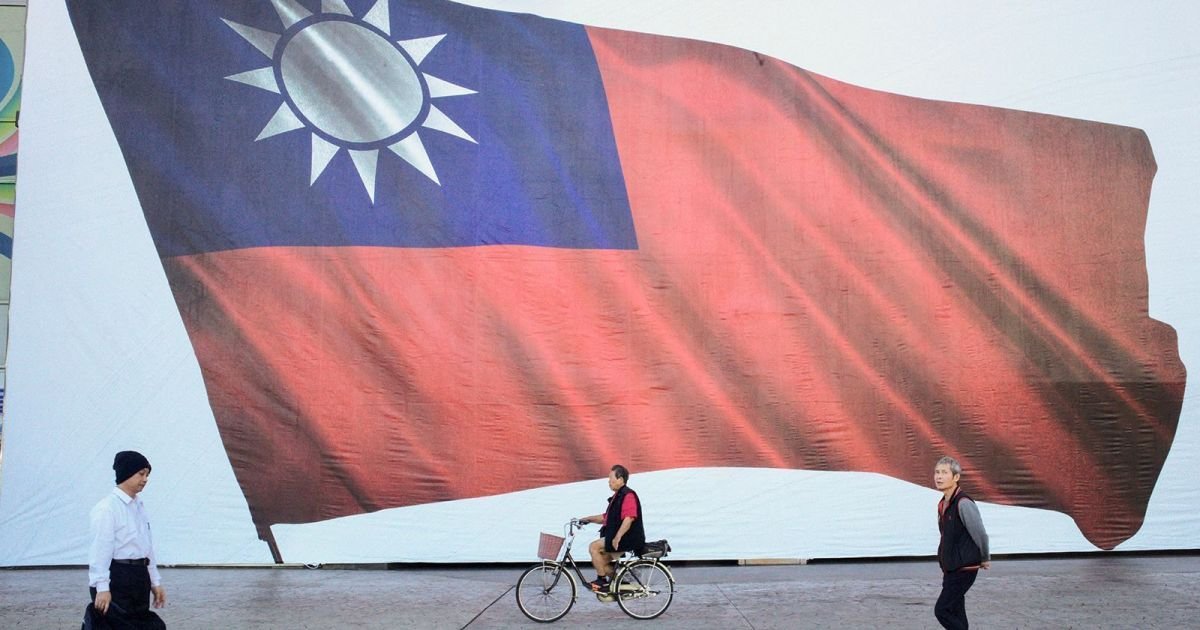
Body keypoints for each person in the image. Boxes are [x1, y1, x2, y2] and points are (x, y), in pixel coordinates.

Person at [87, 450, 167, 629]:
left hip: (138, 578)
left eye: (147, 474)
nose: (145, 479)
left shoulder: (138, 506)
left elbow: (147, 547)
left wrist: (155, 582)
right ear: (127, 472)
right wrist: (102, 588)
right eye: (141, 474)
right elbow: (101, 550)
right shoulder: (107, 509)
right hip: (118, 577)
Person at [933, 456, 990, 630]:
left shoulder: (963, 503)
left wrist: (985, 557)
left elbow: (980, 532)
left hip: (964, 567)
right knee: (957, 610)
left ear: (956, 477)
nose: (939, 477)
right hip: (950, 567)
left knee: (942, 610)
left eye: (944, 473)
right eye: (937, 472)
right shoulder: (943, 504)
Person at [578, 464, 645, 592]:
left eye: (610, 478)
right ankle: (623, 583)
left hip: (627, 538)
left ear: (620, 479)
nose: (609, 482)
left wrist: (617, 537)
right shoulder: (618, 496)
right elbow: (606, 518)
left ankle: (601, 581)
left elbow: (629, 518)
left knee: (594, 547)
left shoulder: (628, 495)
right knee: (600, 562)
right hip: (620, 538)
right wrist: (587, 519)